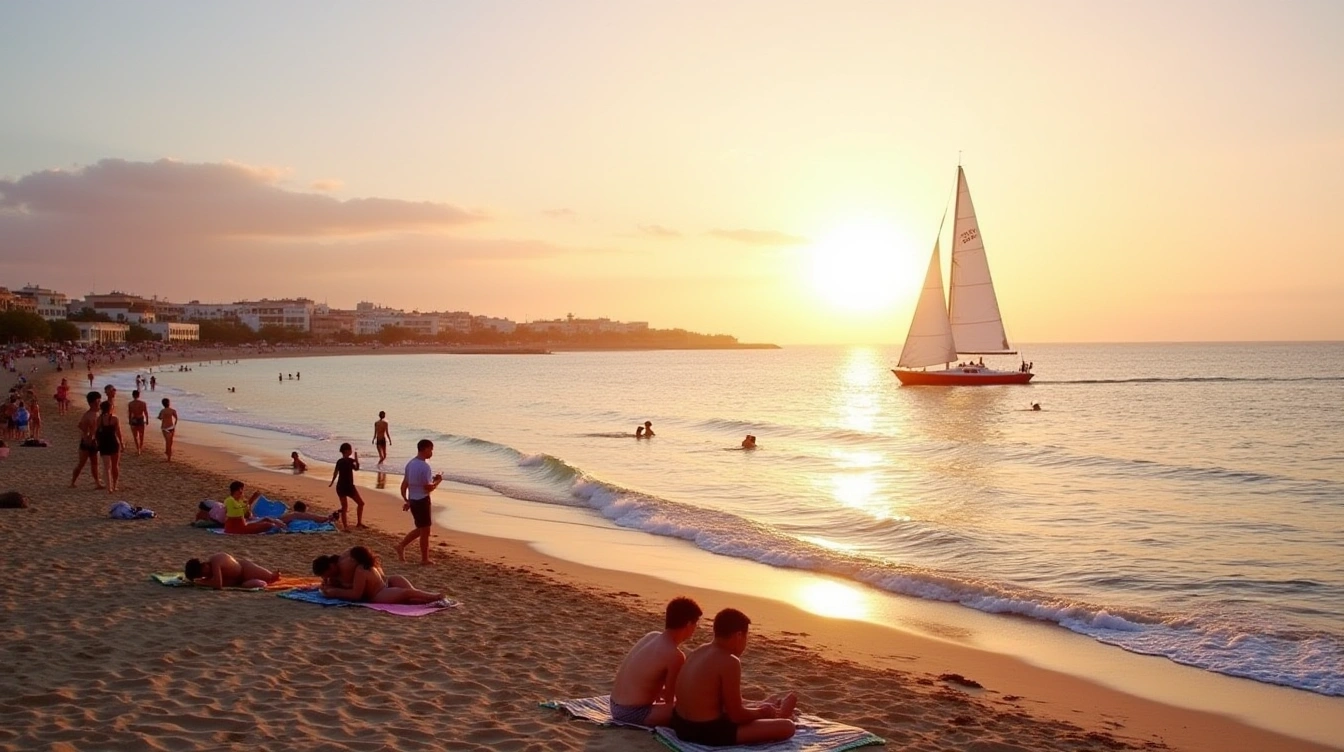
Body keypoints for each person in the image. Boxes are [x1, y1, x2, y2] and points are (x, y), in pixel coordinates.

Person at [670, 608, 797, 747]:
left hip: (679, 723)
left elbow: (718, 702)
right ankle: (780, 715)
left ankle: (771, 709)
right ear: (738, 635)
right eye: (746, 637)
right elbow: (736, 716)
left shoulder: (698, 651)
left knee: (754, 705)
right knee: (787, 727)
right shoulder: (730, 661)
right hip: (704, 732)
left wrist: (756, 709)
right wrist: (762, 713)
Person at [611, 597, 703, 727]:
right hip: (632, 713)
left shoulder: (652, 636)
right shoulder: (675, 655)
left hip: (614, 704)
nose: (695, 629)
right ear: (688, 624)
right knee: (695, 709)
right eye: (696, 624)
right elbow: (670, 701)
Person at [318, 545, 444, 604]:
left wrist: (334, 591)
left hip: (385, 584)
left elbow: (354, 593)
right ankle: (434, 597)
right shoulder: (354, 570)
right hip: (379, 593)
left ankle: (431, 599)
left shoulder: (362, 568)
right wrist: (331, 589)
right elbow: (353, 593)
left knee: (410, 592)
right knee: (407, 594)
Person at [396, 439, 443, 565]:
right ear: (425, 449)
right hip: (422, 500)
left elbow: (404, 485)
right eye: (431, 449)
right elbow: (428, 487)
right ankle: (424, 559)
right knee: (425, 530)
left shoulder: (410, 463)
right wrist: (438, 481)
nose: (432, 452)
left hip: (413, 500)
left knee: (421, 529)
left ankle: (401, 546)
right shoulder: (425, 466)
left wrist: (407, 500)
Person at [184, 552, 280, 590]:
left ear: (204, 565)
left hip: (245, 570)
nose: (204, 575)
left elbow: (218, 585)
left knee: (272, 578)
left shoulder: (215, 561)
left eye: (202, 573)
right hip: (239, 580)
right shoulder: (209, 570)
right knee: (246, 585)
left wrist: (200, 582)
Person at [329, 442, 365, 530]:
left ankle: (347, 526)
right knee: (358, 504)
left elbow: (335, 473)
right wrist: (356, 461)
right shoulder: (348, 461)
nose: (351, 451)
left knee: (348, 506)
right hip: (347, 486)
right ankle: (355, 524)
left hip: (341, 486)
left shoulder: (341, 461)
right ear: (346, 451)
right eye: (350, 450)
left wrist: (332, 482)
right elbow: (356, 468)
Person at [70, 391, 103, 488]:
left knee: (95, 464)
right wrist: (88, 434)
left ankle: (97, 483)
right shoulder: (87, 415)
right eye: (98, 400)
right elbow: (81, 426)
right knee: (81, 464)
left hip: (94, 442)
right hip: (86, 443)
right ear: (92, 403)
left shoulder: (98, 413)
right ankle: (72, 482)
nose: (99, 402)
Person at [95, 400, 123, 493]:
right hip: (113, 443)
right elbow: (118, 432)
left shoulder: (99, 419)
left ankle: (109, 487)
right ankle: (115, 485)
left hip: (104, 444)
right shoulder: (114, 418)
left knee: (106, 466)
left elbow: (97, 433)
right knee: (115, 466)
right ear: (110, 408)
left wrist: (98, 443)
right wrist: (122, 443)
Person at [127, 389, 149, 454]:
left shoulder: (130, 404)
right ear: (139, 395)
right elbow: (146, 413)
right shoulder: (143, 403)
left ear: (133, 395)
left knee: (135, 436)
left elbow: (130, 413)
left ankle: (138, 449)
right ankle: (141, 447)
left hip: (134, 419)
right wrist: (147, 420)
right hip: (140, 419)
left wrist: (129, 421)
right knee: (141, 435)